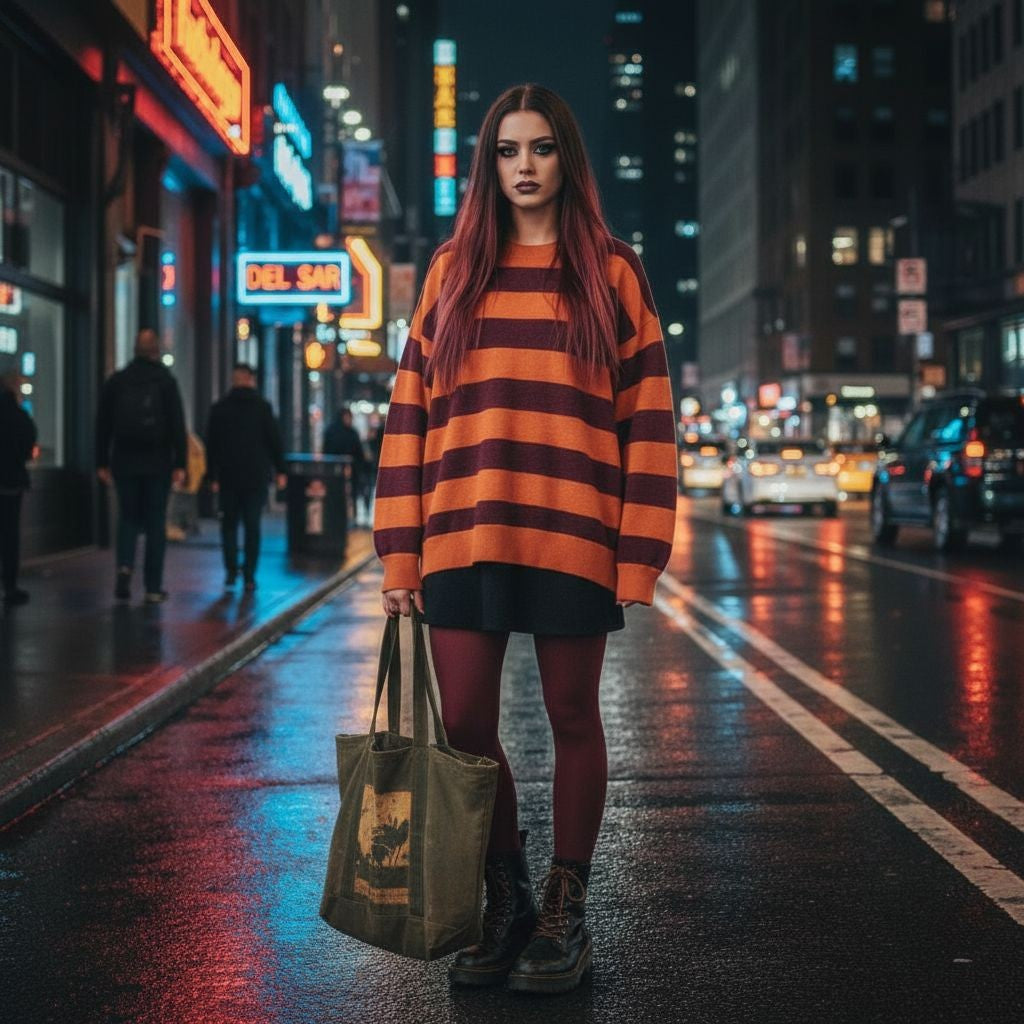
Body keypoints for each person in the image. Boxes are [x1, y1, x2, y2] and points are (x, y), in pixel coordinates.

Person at [373, 85, 677, 994]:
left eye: (541, 148)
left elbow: (650, 419)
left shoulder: (612, 273)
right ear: (488, 164)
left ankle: (565, 906)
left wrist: (639, 553)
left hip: (575, 533)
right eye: (508, 151)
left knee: (573, 715)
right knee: (465, 727)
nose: (525, 167)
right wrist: (400, 551)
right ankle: (506, 896)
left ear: (566, 159)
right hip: (462, 530)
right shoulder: (451, 270)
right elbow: (409, 417)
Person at [96, 328, 187, 603]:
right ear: (156, 350)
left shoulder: (118, 381)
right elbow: (176, 424)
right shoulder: (165, 381)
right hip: (157, 462)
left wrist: (101, 461)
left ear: (134, 350)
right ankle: (152, 586)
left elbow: (103, 424)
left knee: (128, 517)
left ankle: (124, 567)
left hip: (124, 461)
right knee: (155, 521)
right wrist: (180, 463)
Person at [205, 363, 286, 592]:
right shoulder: (262, 407)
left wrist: (212, 475)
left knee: (228, 524)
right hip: (255, 476)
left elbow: (212, 444)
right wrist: (280, 470)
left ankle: (231, 571)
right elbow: (274, 440)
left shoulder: (220, 408)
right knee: (252, 525)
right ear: (251, 380)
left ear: (234, 379)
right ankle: (249, 574)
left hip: (228, 475)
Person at [0, 372, 38, 607]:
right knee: (9, 534)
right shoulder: (20, 417)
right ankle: (10, 586)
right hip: (11, 483)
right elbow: (27, 447)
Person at [323, 406, 368, 525]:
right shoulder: (347, 432)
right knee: (343, 495)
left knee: (348, 495)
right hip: (340, 470)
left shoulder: (336, 431)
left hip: (345, 470)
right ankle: (342, 518)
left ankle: (347, 518)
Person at [166, 431, 207, 542]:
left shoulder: (187, 441)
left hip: (187, 478)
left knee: (178, 504)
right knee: (186, 504)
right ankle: (187, 526)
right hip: (190, 479)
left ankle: (175, 529)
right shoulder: (194, 443)